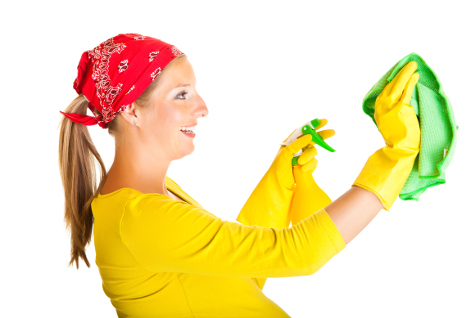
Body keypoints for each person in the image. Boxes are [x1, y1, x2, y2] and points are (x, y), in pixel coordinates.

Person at [58, 33, 420, 317]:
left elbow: (236, 271)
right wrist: (395, 157)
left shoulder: (155, 195)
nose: (202, 108)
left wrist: (280, 179)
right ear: (133, 111)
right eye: (182, 95)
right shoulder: (140, 217)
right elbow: (300, 255)